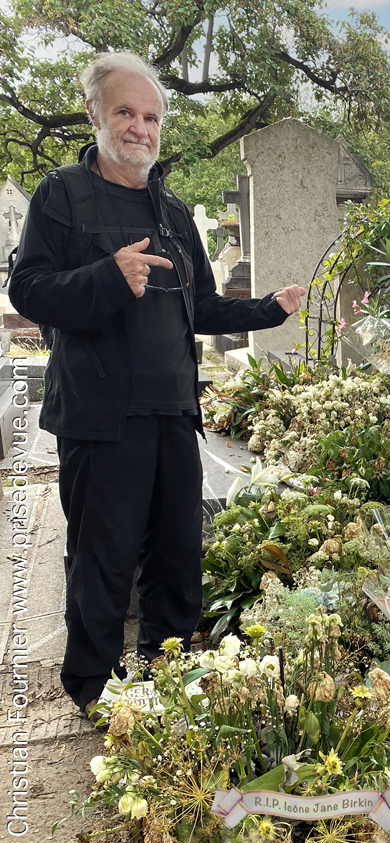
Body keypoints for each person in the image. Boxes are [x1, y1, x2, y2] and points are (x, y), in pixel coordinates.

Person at [8, 51, 305, 717]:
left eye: (151, 116)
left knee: (177, 558)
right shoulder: (63, 195)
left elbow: (198, 306)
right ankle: (93, 688)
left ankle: (167, 673)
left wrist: (268, 308)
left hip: (173, 413)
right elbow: (27, 289)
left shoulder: (169, 210)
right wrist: (107, 277)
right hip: (100, 417)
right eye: (126, 112)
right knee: (102, 562)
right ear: (95, 113)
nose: (140, 127)